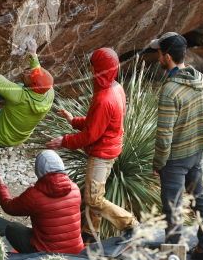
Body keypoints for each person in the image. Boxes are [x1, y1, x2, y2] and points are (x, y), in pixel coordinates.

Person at [46, 48, 137, 237]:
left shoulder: (105, 98)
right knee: (95, 196)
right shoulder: (115, 88)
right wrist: (74, 121)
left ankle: (130, 223)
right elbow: (98, 122)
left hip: (102, 154)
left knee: (93, 199)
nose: (90, 71)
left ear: (99, 70)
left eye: (93, 67)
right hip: (111, 147)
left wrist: (63, 141)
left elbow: (90, 136)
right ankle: (90, 233)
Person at [149, 32, 203, 260]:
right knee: (200, 200)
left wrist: (158, 163)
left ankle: (173, 258)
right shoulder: (199, 79)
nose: (157, 57)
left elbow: (164, 133)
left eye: (158, 53)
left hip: (175, 158)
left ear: (167, 57)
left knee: (173, 207)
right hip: (196, 152)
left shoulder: (170, 90)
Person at [0, 150, 84, 254]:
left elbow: (8, 206)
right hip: (76, 251)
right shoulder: (75, 188)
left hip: (47, 254)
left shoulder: (34, 195)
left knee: (12, 228)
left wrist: (0, 185)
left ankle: (34, 257)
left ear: (39, 171)